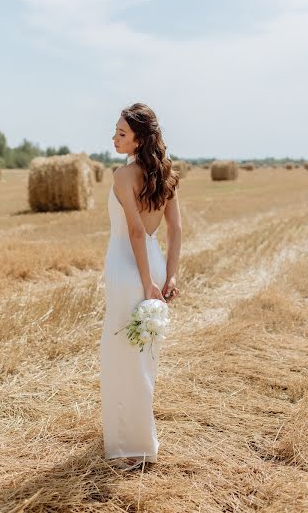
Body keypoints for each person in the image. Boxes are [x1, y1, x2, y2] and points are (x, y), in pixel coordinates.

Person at [100, 103, 182, 471]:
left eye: (121, 133)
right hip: (154, 261)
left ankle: (127, 446)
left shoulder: (123, 175)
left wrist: (147, 280)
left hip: (128, 266)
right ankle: (141, 441)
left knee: (120, 355)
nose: (114, 138)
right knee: (144, 356)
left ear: (139, 139)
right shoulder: (167, 174)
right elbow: (175, 230)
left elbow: (134, 230)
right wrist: (170, 276)